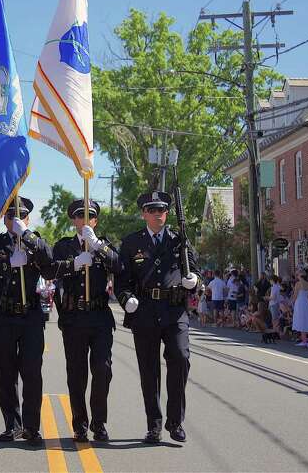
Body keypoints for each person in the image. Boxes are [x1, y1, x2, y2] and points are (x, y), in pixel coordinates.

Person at [117, 190, 199, 445]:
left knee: (181, 358)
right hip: (145, 312)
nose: (157, 215)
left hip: (174, 310)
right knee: (149, 370)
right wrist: (126, 298)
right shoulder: (131, 243)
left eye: (162, 210)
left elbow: (195, 271)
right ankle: (154, 425)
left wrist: (194, 280)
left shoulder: (179, 241)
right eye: (152, 210)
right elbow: (121, 280)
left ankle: (175, 422)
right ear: (144, 214)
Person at [0, 196, 58, 445]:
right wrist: (7, 266)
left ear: (28, 218)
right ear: (4, 219)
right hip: (2, 317)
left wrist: (29, 238)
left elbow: (50, 268)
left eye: (21, 216)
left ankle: (32, 427)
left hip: (30, 317)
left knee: (32, 372)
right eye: (11, 216)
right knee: (5, 373)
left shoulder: (37, 241)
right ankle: (12, 425)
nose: (16, 220)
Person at [51, 199, 120, 443]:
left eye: (89, 216)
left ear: (95, 221)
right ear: (73, 220)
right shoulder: (64, 246)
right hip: (74, 318)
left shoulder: (104, 245)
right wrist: (75, 263)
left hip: (100, 318)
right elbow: (50, 270)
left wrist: (97, 246)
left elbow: (119, 265)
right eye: (79, 216)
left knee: (102, 370)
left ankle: (99, 423)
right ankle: (79, 424)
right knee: (77, 374)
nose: (84, 220)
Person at [291, 268, 308, 346]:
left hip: (300, 302)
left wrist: (292, 302)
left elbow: (295, 296)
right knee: (307, 319)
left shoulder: (298, 284)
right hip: (306, 303)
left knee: (301, 320)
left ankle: (304, 340)